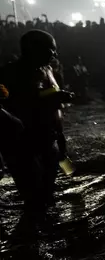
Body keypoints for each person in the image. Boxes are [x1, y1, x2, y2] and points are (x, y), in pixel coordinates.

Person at [0, 30, 74, 214]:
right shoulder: (9, 74)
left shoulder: (48, 70)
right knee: (33, 196)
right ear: (34, 49)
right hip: (23, 143)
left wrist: (60, 137)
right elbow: (12, 104)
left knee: (48, 192)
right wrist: (51, 99)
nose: (54, 54)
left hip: (49, 138)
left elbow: (49, 100)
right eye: (51, 49)